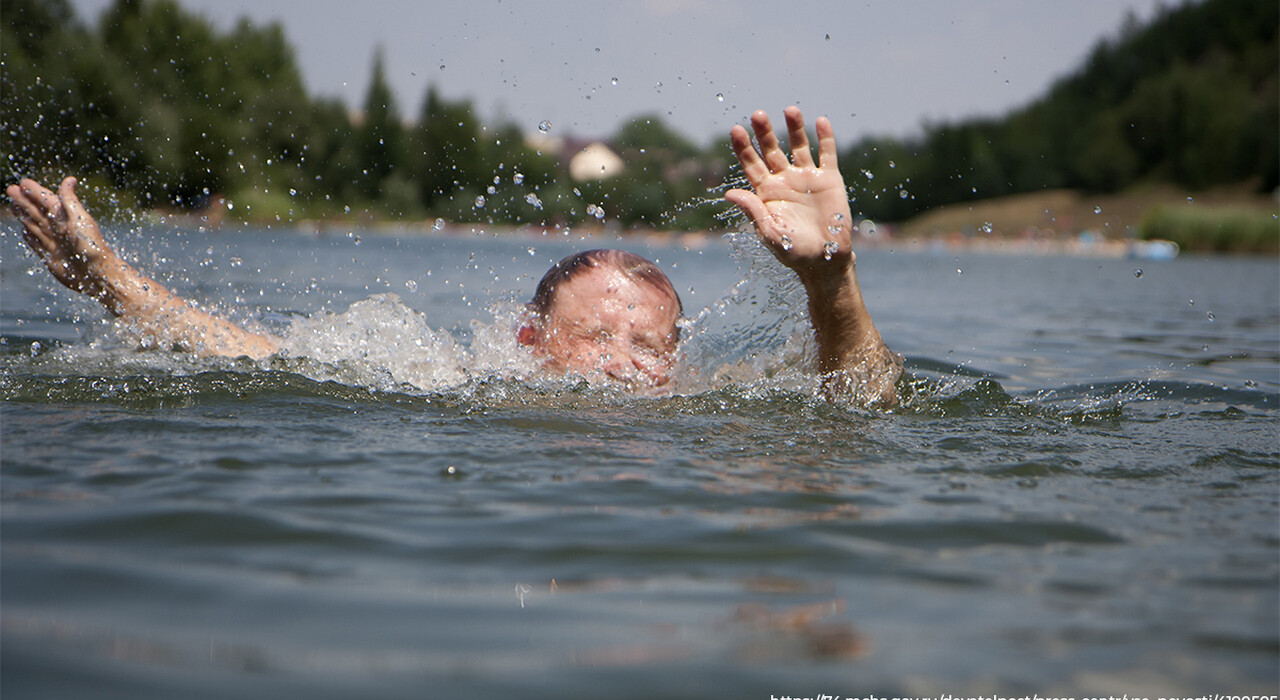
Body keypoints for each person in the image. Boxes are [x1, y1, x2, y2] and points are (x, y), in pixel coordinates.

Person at [6, 107, 900, 406]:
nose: (623, 366)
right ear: (525, 340)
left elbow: (863, 402)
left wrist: (833, 284)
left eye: (648, 349)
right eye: (595, 338)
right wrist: (107, 278)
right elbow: (248, 355)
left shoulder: (702, 410)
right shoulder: (452, 379)